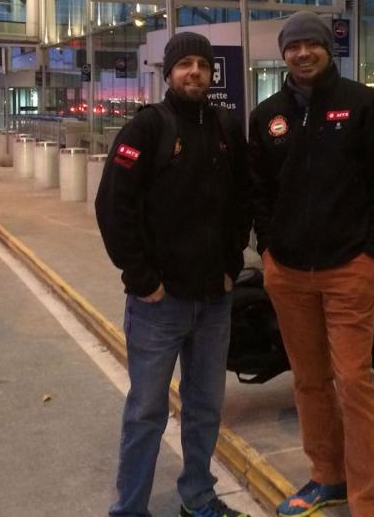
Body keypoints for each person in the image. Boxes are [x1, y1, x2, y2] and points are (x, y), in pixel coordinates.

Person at [248, 12, 374, 517]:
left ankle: (369, 500)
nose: (302, 54)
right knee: (308, 380)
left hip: (347, 269)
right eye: (293, 47)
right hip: (288, 271)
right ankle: (326, 476)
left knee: (353, 381)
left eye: (311, 44)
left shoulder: (364, 105)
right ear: (283, 54)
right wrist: (268, 250)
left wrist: (372, 256)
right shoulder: (267, 116)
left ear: (326, 49)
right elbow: (260, 191)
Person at [95, 32, 251, 517]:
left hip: (213, 301)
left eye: (203, 65)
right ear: (168, 73)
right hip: (158, 305)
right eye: (185, 64)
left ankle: (198, 498)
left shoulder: (226, 127)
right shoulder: (146, 129)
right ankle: (130, 509)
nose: (195, 73)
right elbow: (112, 206)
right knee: (146, 411)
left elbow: (241, 203)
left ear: (212, 74)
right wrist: (143, 279)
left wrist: (230, 266)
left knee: (205, 409)